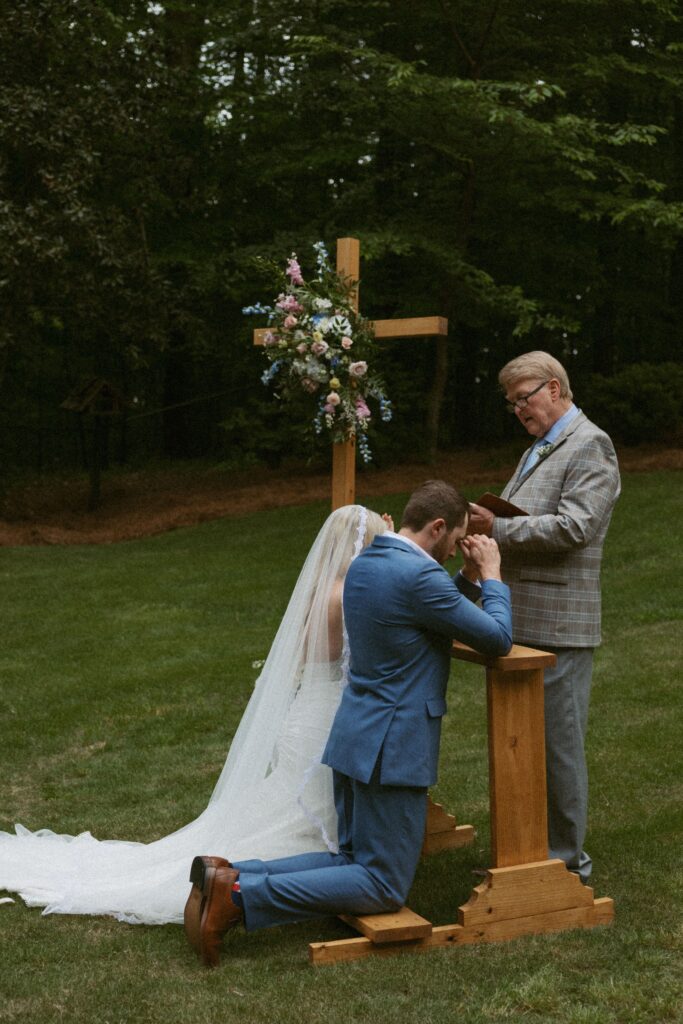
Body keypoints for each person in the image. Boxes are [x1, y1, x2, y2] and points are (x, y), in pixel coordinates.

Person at [0, 505, 388, 924]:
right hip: (326, 715)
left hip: (305, 711)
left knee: (292, 799)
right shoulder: (346, 596)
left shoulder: (317, 590)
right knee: (308, 807)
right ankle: (266, 880)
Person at [184, 480, 512, 967]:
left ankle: (233, 874)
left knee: (350, 860)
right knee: (381, 885)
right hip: (393, 747)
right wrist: (491, 573)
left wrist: (462, 579)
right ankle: (237, 896)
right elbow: (497, 638)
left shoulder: (366, 565)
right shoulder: (419, 579)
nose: (457, 549)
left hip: (355, 733)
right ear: (438, 527)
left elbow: (431, 613)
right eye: (456, 538)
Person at [468, 351, 621, 883]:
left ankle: (566, 867)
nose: (518, 410)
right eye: (512, 403)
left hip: (561, 624)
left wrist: (499, 530)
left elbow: (576, 527)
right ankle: (525, 855)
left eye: (524, 398)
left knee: (557, 750)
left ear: (555, 389)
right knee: (518, 746)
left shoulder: (591, 445)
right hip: (520, 618)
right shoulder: (540, 447)